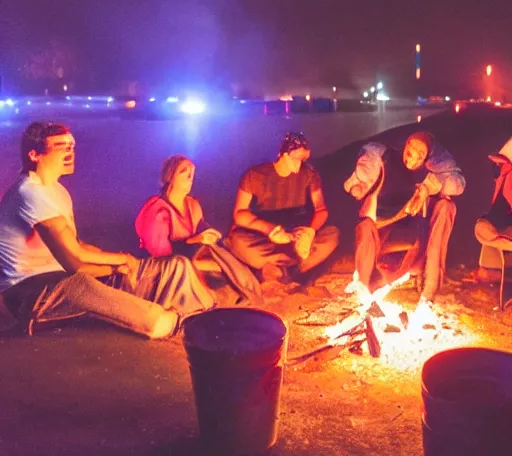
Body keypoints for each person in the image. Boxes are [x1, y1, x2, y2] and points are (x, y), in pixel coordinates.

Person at [0, 122, 215, 338]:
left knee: (176, 267)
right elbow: (73, 260)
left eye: (71, 145)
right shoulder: (29, 193)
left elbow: (78, 245)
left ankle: (209, 316)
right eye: (60, 146)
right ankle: (188, 326)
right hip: (34, 293)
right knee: (157, 321)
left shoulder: (57, 191)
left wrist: (123, 263)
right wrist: (118, 263)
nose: (69, 151)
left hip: (68, 277)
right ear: (35, 154)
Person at [344, 131, 465, 305]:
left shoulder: (437, 160)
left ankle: (429, 289)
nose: (412, 161)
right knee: (365, 226)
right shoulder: (384, 154)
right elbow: (360, 177)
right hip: (384, 224)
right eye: (410, 154)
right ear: (406, 145)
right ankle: (364, 288)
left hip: (416, 226)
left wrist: (432, 186)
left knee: (446, 206)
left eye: (420, 157)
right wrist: (360, 184)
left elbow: (459, 183)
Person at [135, 155, 262, 304]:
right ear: (170, 176)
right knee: (207, 268)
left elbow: (202, 228)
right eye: (184, 172)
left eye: (192, 173)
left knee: (226, 259)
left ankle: (245, 294)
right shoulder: (157, 209)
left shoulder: (192, 205)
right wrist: (196, 241)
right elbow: (162, 255)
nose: (190, 177)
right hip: (169, 267)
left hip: (193, 257)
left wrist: (211, 235)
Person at [228, 132, 339, 284]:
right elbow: (240, 213)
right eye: (295, 159)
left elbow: (321, 209)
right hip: (266, 236)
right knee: (238, 241)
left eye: (302, 160)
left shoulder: (309, 175)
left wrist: (309, 232)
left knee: (331, 235)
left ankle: (280, 269)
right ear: (282, 154)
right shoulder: (254, 176)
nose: (298, 164)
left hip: (297, 234)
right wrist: (269, 229)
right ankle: (289, 268)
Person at [474, 136, 512, 251]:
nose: (497, 166)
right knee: (482, 229)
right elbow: (499, 209)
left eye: (500, 163)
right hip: (503, 225)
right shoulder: (503, 178)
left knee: (483, 229)